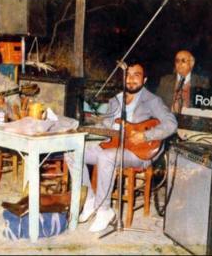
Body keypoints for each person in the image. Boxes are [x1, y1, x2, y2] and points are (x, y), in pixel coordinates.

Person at [68, 62, 178, 232]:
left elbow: (171, 124)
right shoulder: (115, 100)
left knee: (106, 156)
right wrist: (85, 128)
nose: (131, 79)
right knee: (72, 153)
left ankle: (104, 210)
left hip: (139, 153)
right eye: (128, 75)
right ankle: (90, 199)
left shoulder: (152, 100)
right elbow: (107, 126)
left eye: (136, 75)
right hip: (114, 145)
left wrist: (145, 135)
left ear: (145, 79)